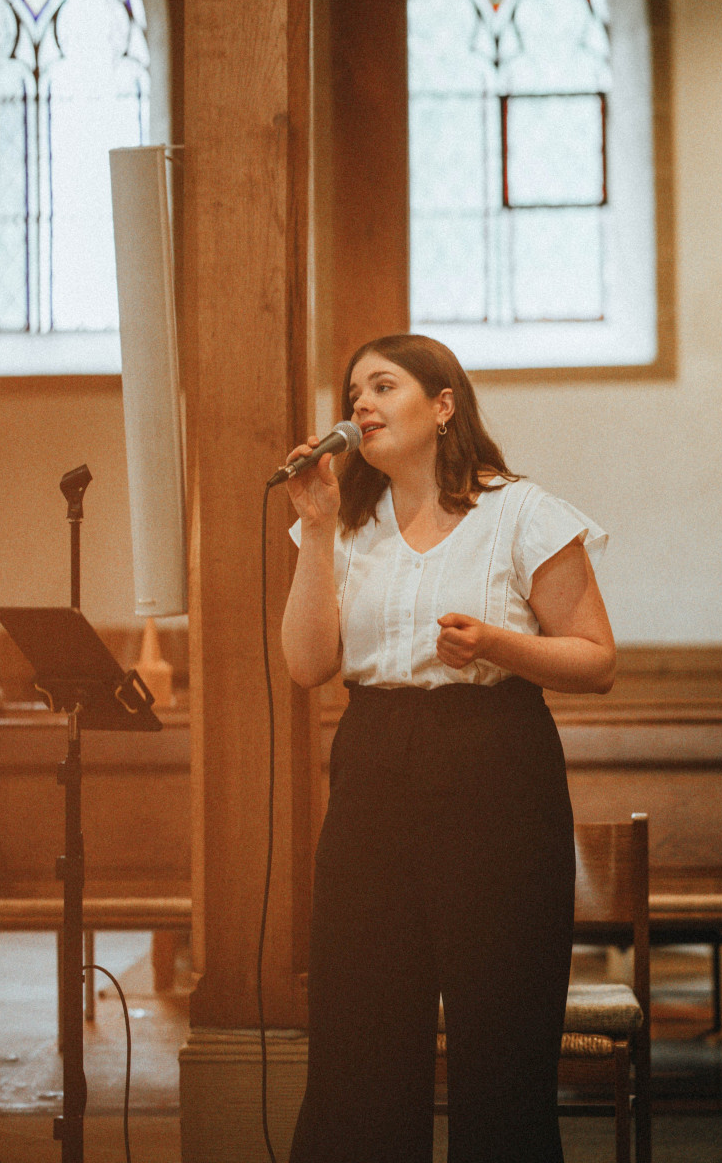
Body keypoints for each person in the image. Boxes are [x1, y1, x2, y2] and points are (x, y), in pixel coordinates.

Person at [281, 333, 615, 1163]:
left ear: (442, 405)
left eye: (383, 386)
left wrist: (500, 645)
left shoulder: (518, 510)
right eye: (353, 389)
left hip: (493, 769)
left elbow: (597, 658)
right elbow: (307, 663)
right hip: (373, 766)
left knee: (497, 1037)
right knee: (361, 1029)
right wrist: (316, 531)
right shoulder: (345, 524)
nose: (360, 404)